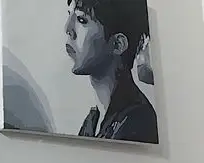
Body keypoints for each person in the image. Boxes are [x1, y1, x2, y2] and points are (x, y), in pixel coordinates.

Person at [64, 0, 158, 143]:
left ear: (118, 44)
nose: (68, 29)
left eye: (82, 20)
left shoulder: (137, 121)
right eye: (69, 15)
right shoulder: (93, 119)